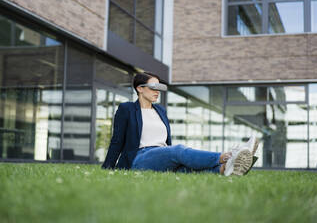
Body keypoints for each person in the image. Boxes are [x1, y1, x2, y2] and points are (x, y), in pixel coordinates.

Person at [102, 72, 259, 176]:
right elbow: (117, 140)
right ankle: (228, 157)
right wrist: (107, 169)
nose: (157, 91)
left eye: (160, 88)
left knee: (185, 169)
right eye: (153, 87)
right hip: (139, 158)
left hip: (162, 155)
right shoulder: (127, 109)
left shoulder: (160, 111)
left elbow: (166, 144)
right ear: (140, 89)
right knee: (178, 150)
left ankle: (225, 169)